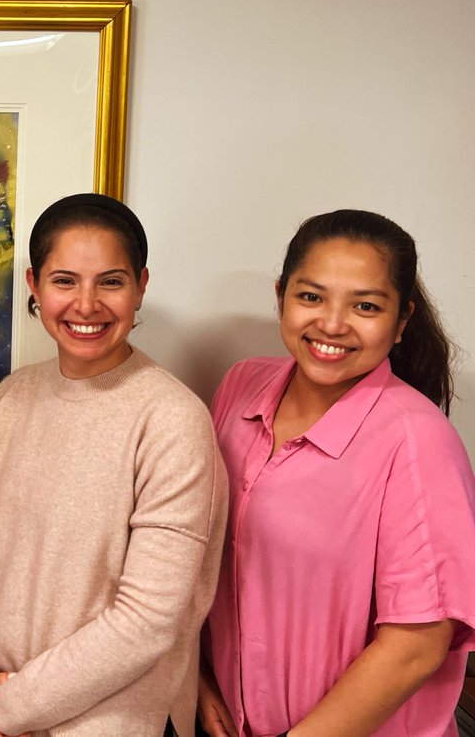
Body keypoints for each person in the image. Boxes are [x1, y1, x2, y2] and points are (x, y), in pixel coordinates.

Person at [0, 192, 228, 737]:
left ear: (142, 285)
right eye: (65, 280)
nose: (87, 304)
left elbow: (148, 622)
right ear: (34, 284)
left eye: (112, 281)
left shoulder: (171, 419)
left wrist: (10, 706)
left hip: (113, 723)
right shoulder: (15, 395)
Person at [198, 209, 475, 737]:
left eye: (365, 306)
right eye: (311, 296)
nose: (331, 323)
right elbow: (201, 556)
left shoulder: (417, 441)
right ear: (280, 296)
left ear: (401, 321)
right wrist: (196, 677)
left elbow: (416, 646)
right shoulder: (240, 387)